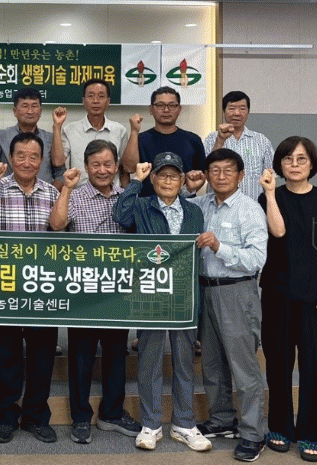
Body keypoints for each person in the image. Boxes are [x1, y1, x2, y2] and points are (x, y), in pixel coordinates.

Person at [112, 152, 211, 453]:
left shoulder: (194, 211)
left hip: (183, 297)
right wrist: (136, 182)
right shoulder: (142, 206)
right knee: (150, 361)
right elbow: (120, 215)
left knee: (184, 362)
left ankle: (184, 423)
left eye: (174, 176)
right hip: (151, 295)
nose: (168, 181)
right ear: (153, 178)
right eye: (162, 175)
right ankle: (151, 424)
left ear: (182, 180)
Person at [49, 139, 141, 444]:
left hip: (118, 290)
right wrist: (66, 188)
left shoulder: (127, 196)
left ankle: (111, 413)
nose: (102, 170)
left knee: (116, 354)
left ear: (116, 166)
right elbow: (57, 225)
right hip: (84, 290)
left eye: (108, 164)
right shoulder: (75, 195)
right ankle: (80, 417)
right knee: (81, 356)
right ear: (87, 167)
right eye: (96, 164)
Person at [0, 134, 59, 444]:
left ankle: (36, 416)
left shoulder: (51, 192)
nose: (27, 162)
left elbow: (60, 228)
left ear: (42, 160)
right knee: (4, 354)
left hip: (42, 288)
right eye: (20, 155)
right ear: (9, 159)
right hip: (4, 288)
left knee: (42, 355)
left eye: (33, 156)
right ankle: (7, 416)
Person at [188, 149, 268, 461]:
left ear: (241, 175)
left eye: (228, 170)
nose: (221, 176)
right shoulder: (201, 204)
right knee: (212, 362)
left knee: (243, 367)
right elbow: (175, 211)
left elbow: (257, 258)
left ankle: (252, 433)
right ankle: (222, 419)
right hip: (204, 291)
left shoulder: (249, 210)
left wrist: (219, 247)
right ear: (207, 175)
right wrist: (189, 189)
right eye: (215, 170)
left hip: (237, 292)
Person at [258, 136, 317, 462]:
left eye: (301, 159)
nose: (294, 164)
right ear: (279, 164)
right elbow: (278, 232)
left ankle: (313, 432)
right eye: (288, 159)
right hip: (278, 295)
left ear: (312, 163)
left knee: (316, 369)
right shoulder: (268, 198)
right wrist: (270, 194)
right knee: (278, 366)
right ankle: (280, 427)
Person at [122, 86, 206, 197]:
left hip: (184, 203)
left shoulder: (193, 140)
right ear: (151, 109)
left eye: (172, 105)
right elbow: (129, 168)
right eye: (160, 105)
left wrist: (187, 192)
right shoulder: (140, 139)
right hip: (147, 204)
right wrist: (134, 131)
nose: (166, 110)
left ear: (179, 109)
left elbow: (201, 176)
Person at [0, 87, 65, 190]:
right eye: (25, 106)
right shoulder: (1, 136)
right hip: (9, 195)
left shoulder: (50, 138)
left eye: (34, 106)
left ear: (40, 111)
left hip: (43, 196)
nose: (30, 111)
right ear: (15, 111)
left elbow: (60, 172)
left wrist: (51, 193)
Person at [51, 79, 129, 187]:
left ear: (108, 101)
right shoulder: (70, 130)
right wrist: (57, 126)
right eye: (91, 96)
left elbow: (125, 169)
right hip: (79, 194)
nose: (95, 101)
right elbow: (57, 162)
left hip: (112, 194)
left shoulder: (120, 131)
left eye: (101, 96)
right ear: (83, 100)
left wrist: (126, 195)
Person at [203, 91, 274, 200]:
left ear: (248, 112)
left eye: (242, 109)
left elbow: (270, 175)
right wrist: (220, 140)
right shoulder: (212, 138)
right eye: (232, 108)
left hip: (253, 204)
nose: (237, 113)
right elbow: (207, 170)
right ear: (224, 111)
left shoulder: (261, 140)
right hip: (218, 204)